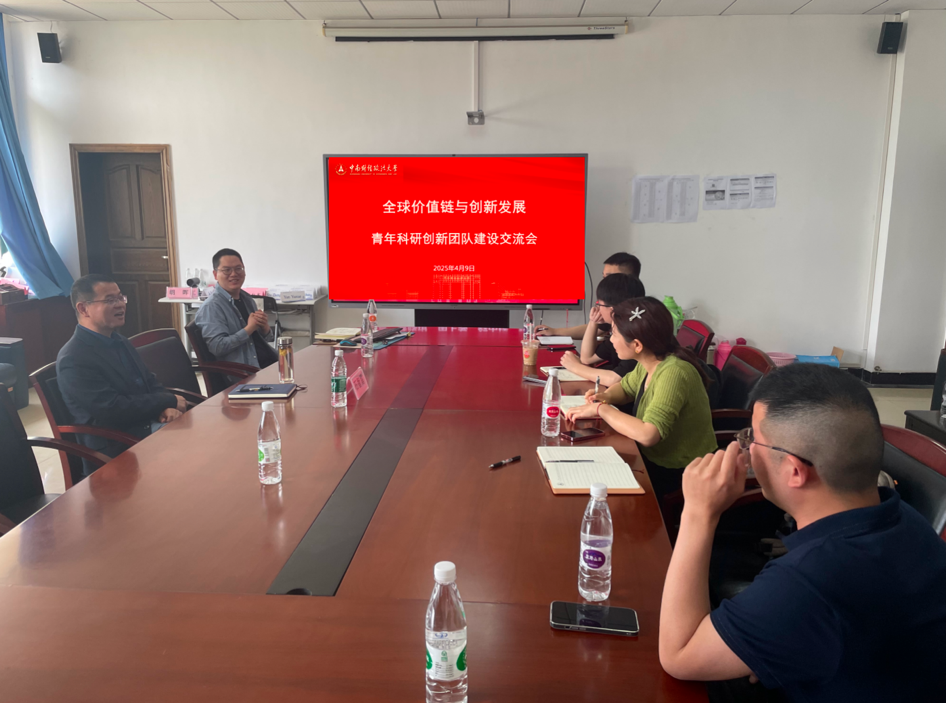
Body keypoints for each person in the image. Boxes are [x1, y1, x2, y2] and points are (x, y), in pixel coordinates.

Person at [659, 363, 946, 703]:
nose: (746, 448)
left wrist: (698, 513)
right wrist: (771, 638)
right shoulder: (903, 517)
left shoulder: (808, 583)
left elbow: (679, 654)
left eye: (753, 438)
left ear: (794, 471)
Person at [564, 297, 716, 507]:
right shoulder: (650, 360)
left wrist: (602, 409)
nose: (611, 340)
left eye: (614, 334)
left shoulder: (673, 372)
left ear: (637, 345)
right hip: (652, 460)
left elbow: (648, 434)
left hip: (681, 474)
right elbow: (626, 388)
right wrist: (606, 396)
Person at [57, 274, 186, 476]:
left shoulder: (119, 341)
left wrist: (166, 406)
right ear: (83, 309)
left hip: (145, 425)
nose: (120, 305)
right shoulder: (74, 358)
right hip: (116, 445)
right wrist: (167, 400)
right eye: (110, 300)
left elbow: (149, 381)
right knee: (192, 450)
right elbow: (112, 409)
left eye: (120, 297)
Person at [195, 248, 278, 369]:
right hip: (247, 372)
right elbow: (217, 347)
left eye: (238, 269)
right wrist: (248, 329)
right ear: (215, 274)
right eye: (227, 270)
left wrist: (264, 328)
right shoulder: (211, 307)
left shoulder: (247, 299)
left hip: (269, 363)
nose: (234, 274)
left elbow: (264, 339)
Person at [558, 273, 645, 386]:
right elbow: (587, 358)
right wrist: (593, 322)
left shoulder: (634, 334)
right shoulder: (619, 331)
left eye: (599, 304)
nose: (597, 308)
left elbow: (616, 379)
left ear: (612, 309)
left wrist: (575, 367)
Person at [535, 252, 641, 339]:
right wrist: (554, 331)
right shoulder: (612, 306)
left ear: (628, 279)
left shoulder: (638, 318)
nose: (603, 282)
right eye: (603, 277)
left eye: (609, 278)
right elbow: (597, 329)